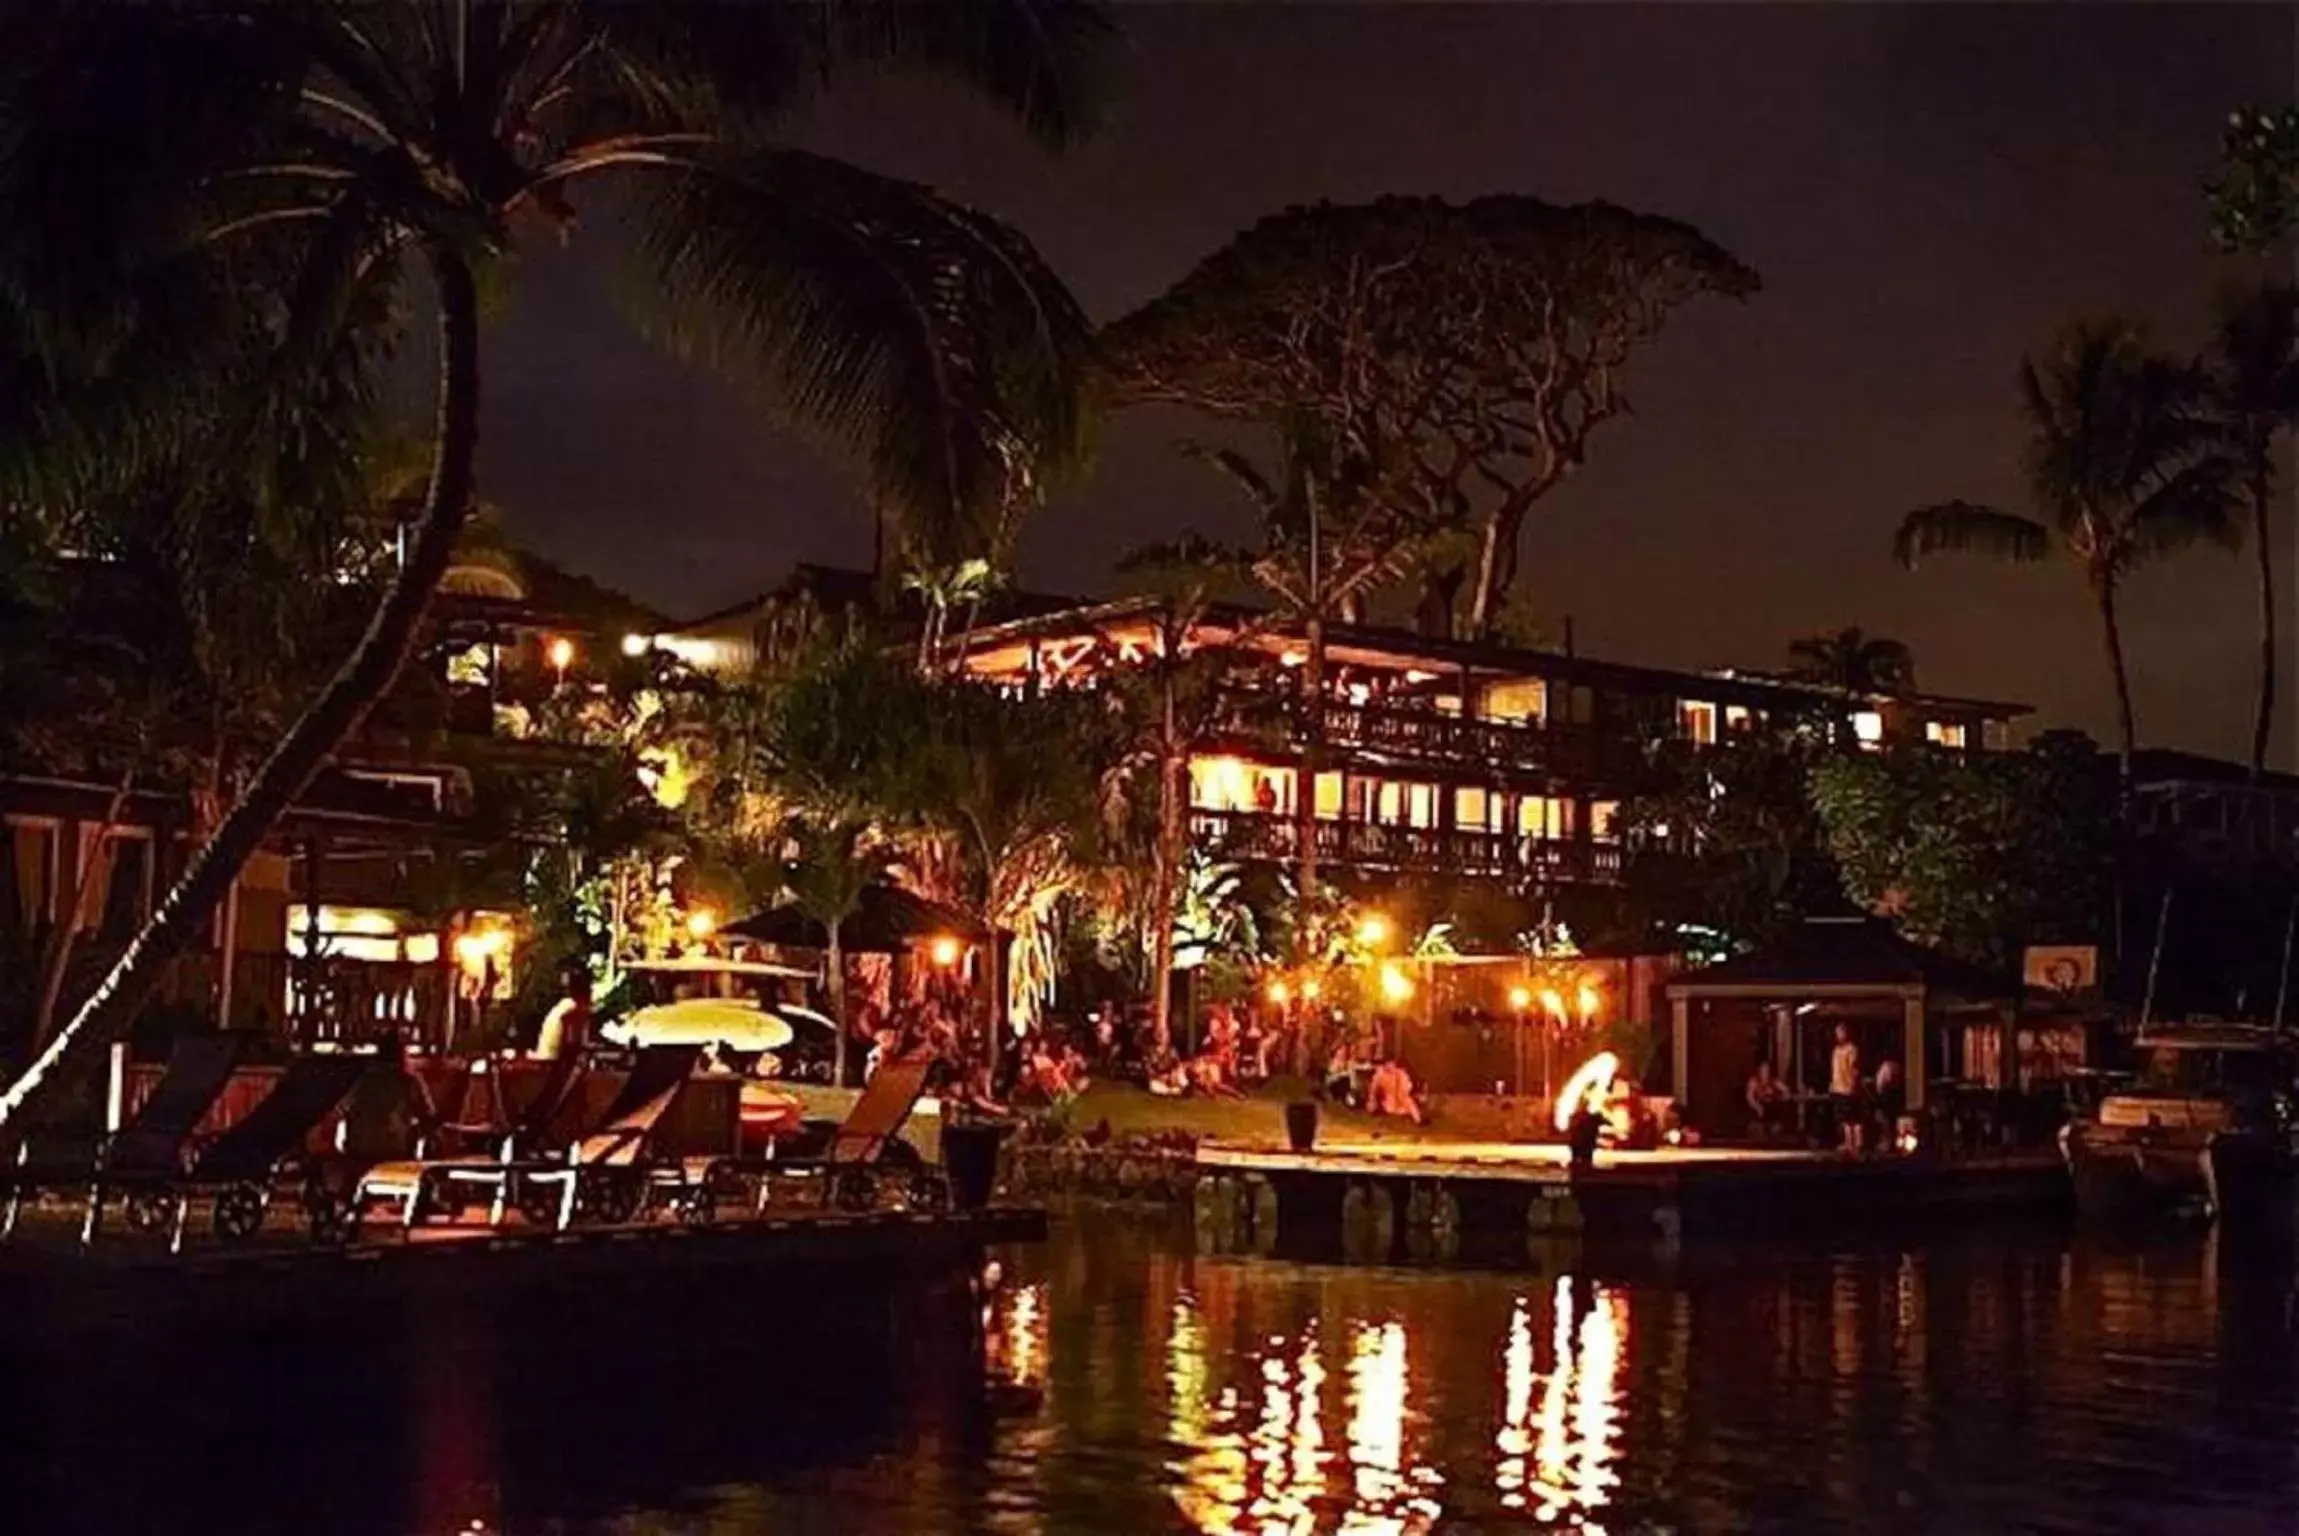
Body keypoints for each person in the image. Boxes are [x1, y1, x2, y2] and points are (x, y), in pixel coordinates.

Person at [535, 966, 593, 1061]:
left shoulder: (565, 1005)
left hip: (548, 1058)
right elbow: (571, 1043)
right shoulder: (573, 1009)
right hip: (554, 1062)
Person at [1829, 1022, 1864, 1155]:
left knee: (1854, 1118)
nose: (1839, 1035)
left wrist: (1853, 1083)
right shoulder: (1836, 1051)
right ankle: (1848, 1143)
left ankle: (1857, 1144)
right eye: (1837, 1033)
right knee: (1844, 1119)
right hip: (1839, 1088)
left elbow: (1854, 1069)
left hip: (1850, 1088)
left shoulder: (1852, 1050)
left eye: (1841, 1032)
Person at [1366, 1057, 1423, 1124]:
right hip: (1388, 1099)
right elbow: (1373, 1086)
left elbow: (1407, 1087)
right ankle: (1376, 1113)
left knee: (1409, 1103)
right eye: (1388, 1064)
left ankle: (1418, 1121)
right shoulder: (1380, 1073)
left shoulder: (1400, 1073)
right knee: (1375, 1104)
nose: (1390, 1066)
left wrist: (1402, 1093)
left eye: (1392, 1064)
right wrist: (1372, 1098)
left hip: (1401, 1098)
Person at [1744, 1059, 1788, 1139]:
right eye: (1763, 1070)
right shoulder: (1754, 1081)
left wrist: (1782, 1096)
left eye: (1767, 1070)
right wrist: (1757, 1106)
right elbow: (1749, 1097)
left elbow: (1785, 1090)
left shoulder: (1773, 1081)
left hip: (1771, 1109)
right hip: (1758, 1108)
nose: (1765, 1073)